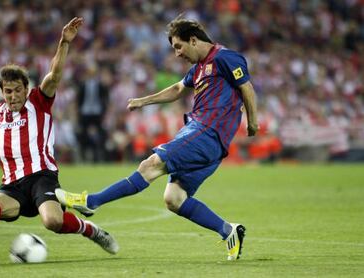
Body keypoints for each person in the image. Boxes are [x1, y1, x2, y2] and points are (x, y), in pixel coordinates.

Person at [55, 17, 258, 260]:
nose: (177, 53)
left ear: (193, 40)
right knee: (174, 198)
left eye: (178, 46)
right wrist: (144, 100)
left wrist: (253, 122)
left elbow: (247, 88)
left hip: (206, 132)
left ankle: (92, 201)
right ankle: (229, 231)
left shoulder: (226, 58)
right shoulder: (199, 68)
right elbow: (177, 89)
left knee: (150, 165)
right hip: (208, 141)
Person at [0, 17, 119, 255]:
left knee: (53, 222)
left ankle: (91, 230)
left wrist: (64, 42)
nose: (13, 96)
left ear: (26, 89)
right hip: (12, 184)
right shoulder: (1, 112)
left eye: (18, 90)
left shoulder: (39, 101)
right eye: (8, 92)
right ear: (2, 92)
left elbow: (54, 75)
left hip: (42, 177)